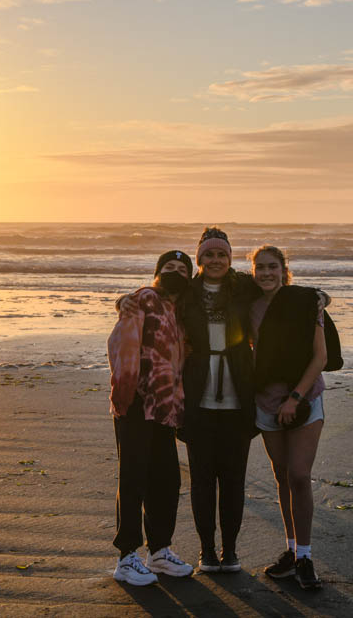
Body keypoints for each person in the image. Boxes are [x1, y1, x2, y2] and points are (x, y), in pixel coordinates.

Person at [108, 249, 195, 586]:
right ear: (158, 273)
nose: (176, 272)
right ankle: (127, 557)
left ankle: (158, 552)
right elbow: (122, 343)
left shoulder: (180, 310)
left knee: (166, 480)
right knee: (133, 478)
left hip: (165, 408)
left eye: (182, 269)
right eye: (168, 268)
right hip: (136, 403)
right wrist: (124, 394)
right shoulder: (143, 298)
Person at [179, 227, 260, 574]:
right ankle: (206, 550)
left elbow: (280, 292)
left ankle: (231, 550)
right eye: (209, 255)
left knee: (233, 479)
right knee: (201, 479)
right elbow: (150, 296)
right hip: (197, 395)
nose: (215, 260)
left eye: (222, 255)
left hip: (238, 396)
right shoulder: (185, 291)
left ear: (230, 259)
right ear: (199, 259)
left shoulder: (244, 287)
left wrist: (318, 298)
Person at [249, 245, 328, 591]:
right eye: (260, 268)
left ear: (284, 270)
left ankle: (307, 557)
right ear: (253, 272)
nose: (266, 273)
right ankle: (292, 552)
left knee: (299, 475)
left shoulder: (305, 302)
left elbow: (321, 356)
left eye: (272, 267)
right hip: (266, 401)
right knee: (282, 477)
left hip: (305, 399)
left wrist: (295, 397)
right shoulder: (248, 307)